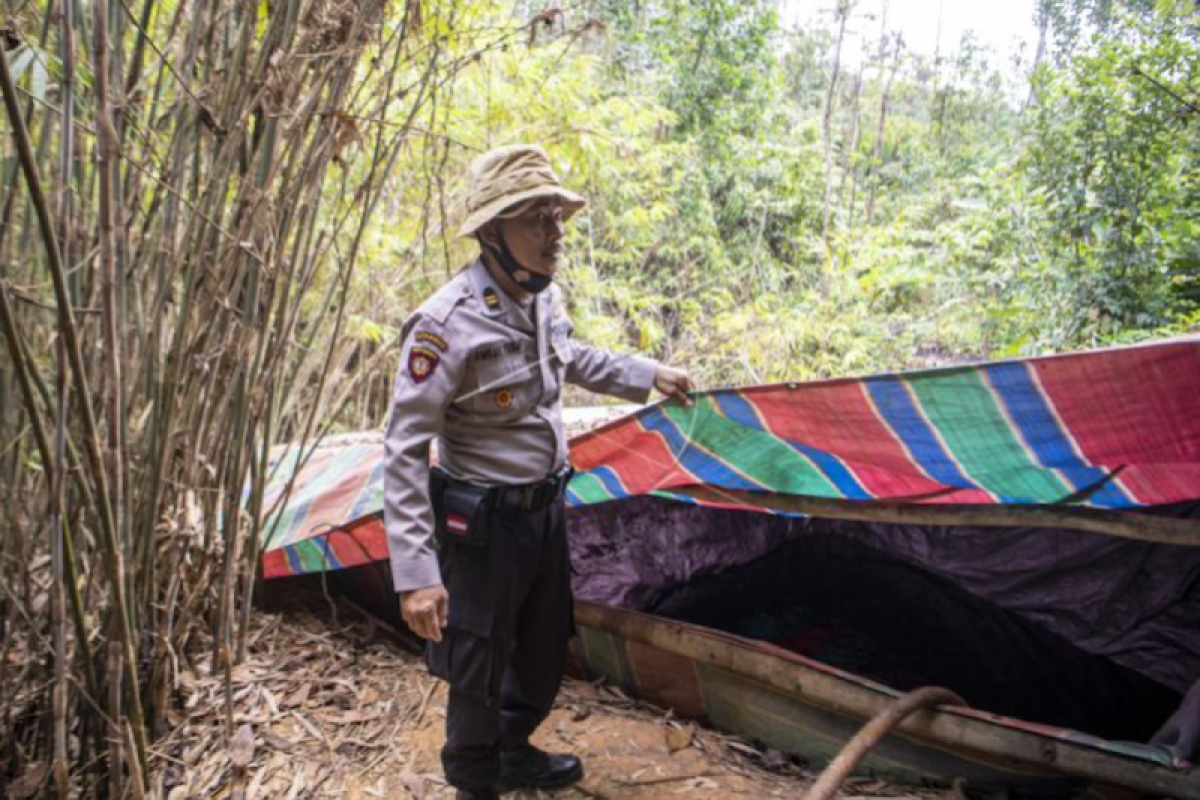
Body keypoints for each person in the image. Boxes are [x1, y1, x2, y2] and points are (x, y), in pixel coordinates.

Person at [383, 144, 691, 800]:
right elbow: (404, 449)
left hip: (544, 511)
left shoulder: (541, 298)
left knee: (545, 643)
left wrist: (648, 374)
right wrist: (416, 575)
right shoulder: (444, 325)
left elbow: (569, 357)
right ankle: (474, 781)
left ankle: (514, 749)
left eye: (557, 216)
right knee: (478, 658)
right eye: (536, 218)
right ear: (493, 232)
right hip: (481, 525)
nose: (555, 233)